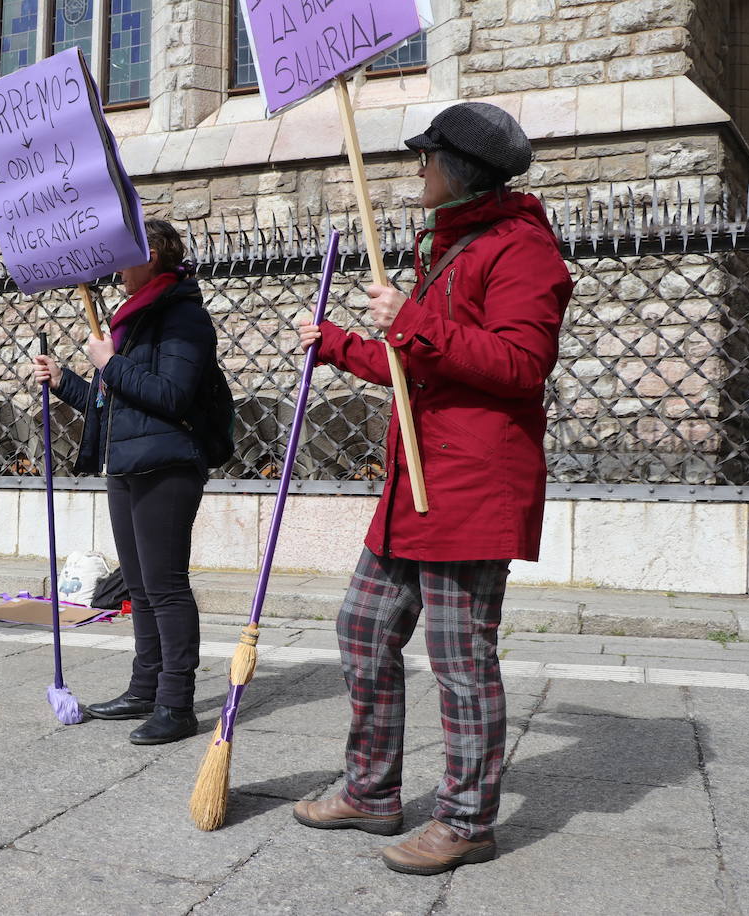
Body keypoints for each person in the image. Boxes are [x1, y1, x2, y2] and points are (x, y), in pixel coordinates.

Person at [290, 103, 574, 874]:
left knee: (459, 657)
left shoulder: (523, 251)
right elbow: (426, 363)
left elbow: (520, 366)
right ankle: (372, 790)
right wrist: (345, 347)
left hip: (472, 488)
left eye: (427, 159)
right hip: (416, 485)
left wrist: (412, 323)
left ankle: (467, 820)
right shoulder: (448, 247)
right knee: (362, 628)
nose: (418, 171)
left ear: (459, 171)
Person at [31, 218, 220, 745]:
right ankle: (145, 687)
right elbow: (114, 406)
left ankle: (177, 703)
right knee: (137, 588)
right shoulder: (128, 321)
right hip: (128, 464)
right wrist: (67, 381)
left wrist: (110, 364)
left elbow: (171, 396)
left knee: (165, 585)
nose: (113, 266)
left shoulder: (184, 317)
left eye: (123, 254)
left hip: (168, 465)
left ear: (154, 254)